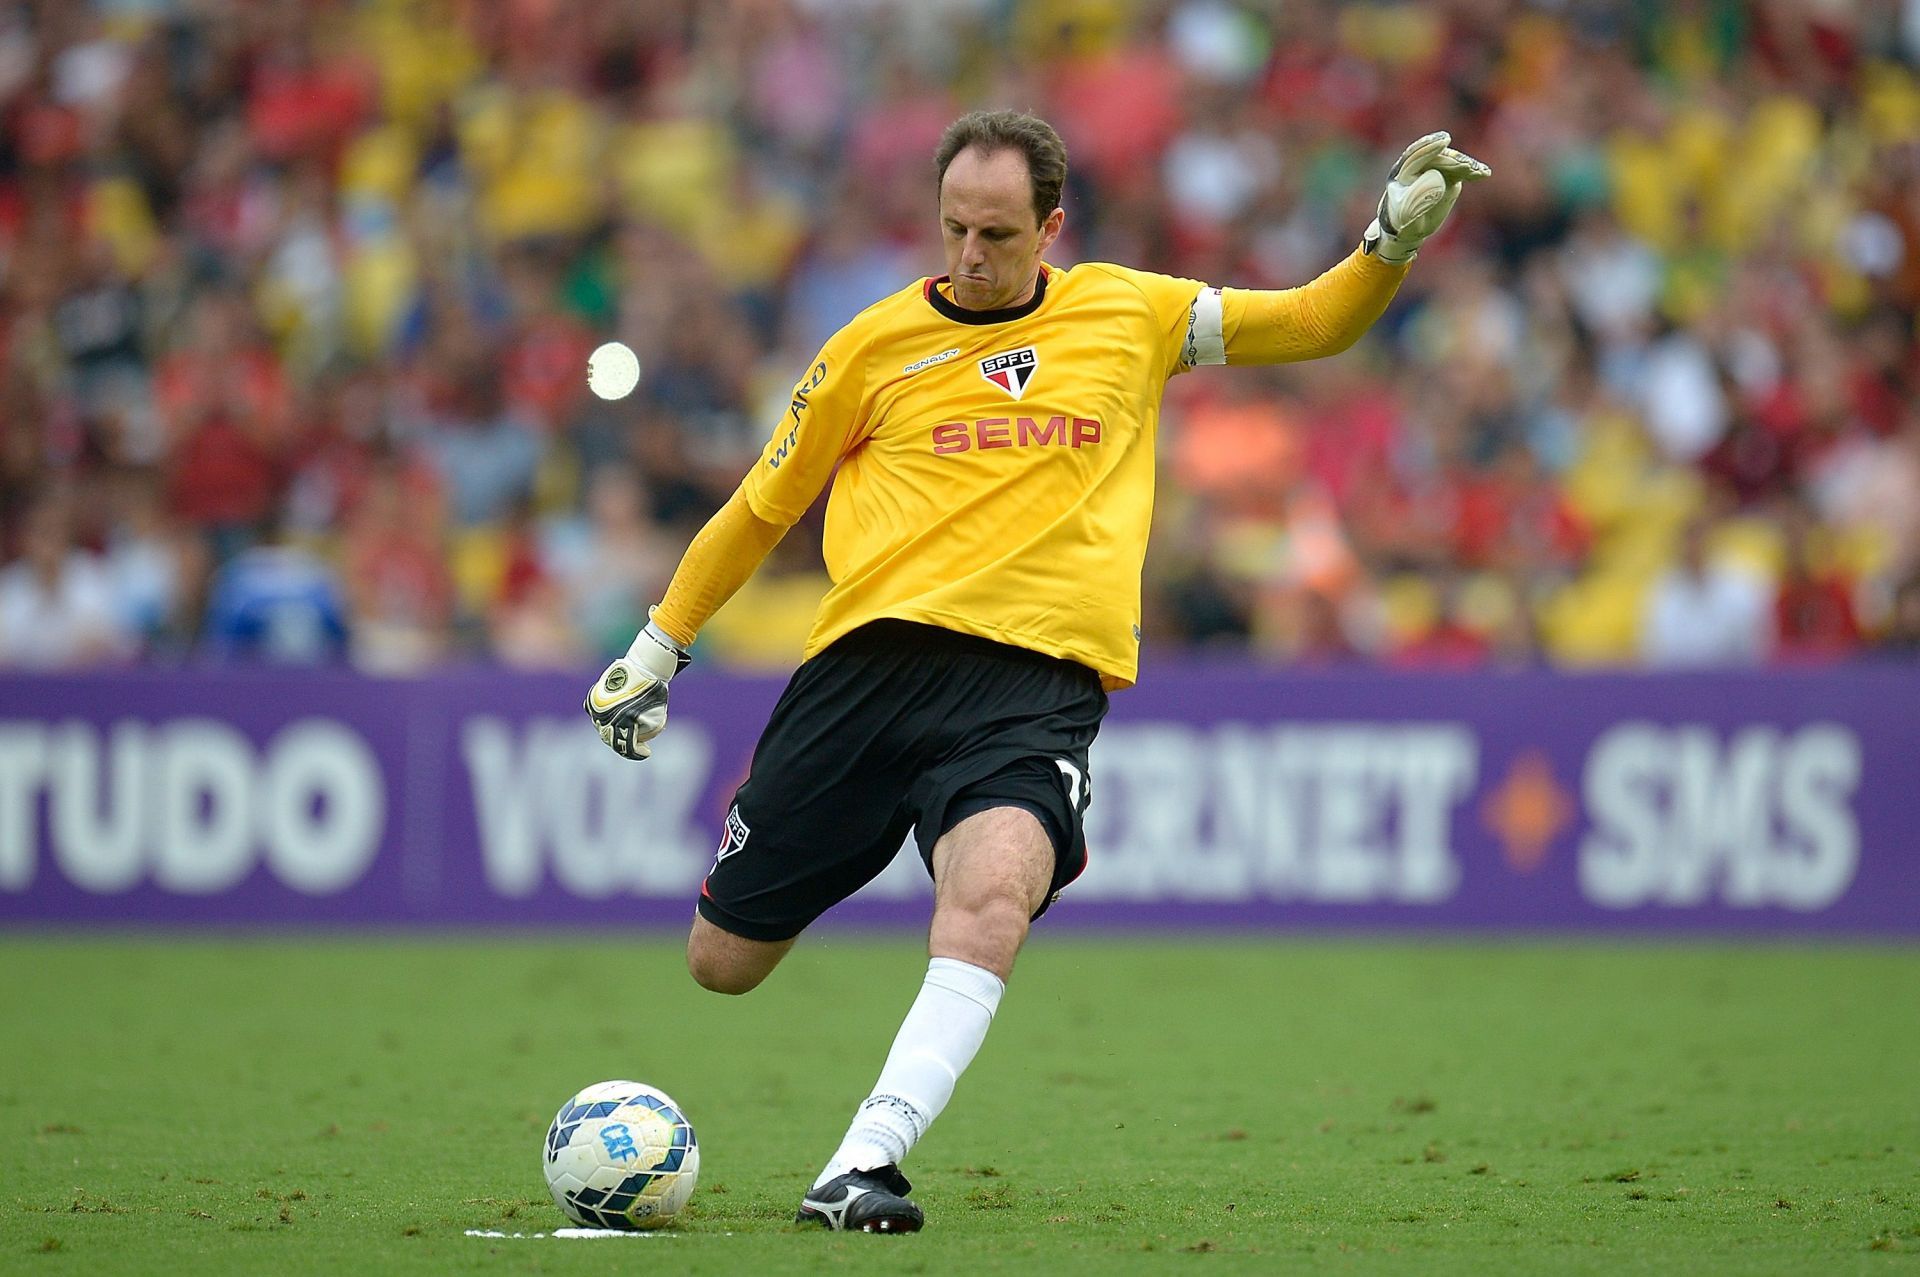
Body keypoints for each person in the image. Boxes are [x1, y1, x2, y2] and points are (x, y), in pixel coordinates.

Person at [583, 110, 1489, 1232]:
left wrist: (1387, 243)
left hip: (1031, 688)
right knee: (721, 960)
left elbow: (1309, 322)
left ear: (1050, 226)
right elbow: (765, 505)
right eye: (955, 227)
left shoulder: (1130, 312)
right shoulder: (870, 345)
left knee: (994, 893)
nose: (970, 254)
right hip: (866, 676)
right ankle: (863, 842)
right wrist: (656, 645)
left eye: (998, 234)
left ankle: (865, 1159)